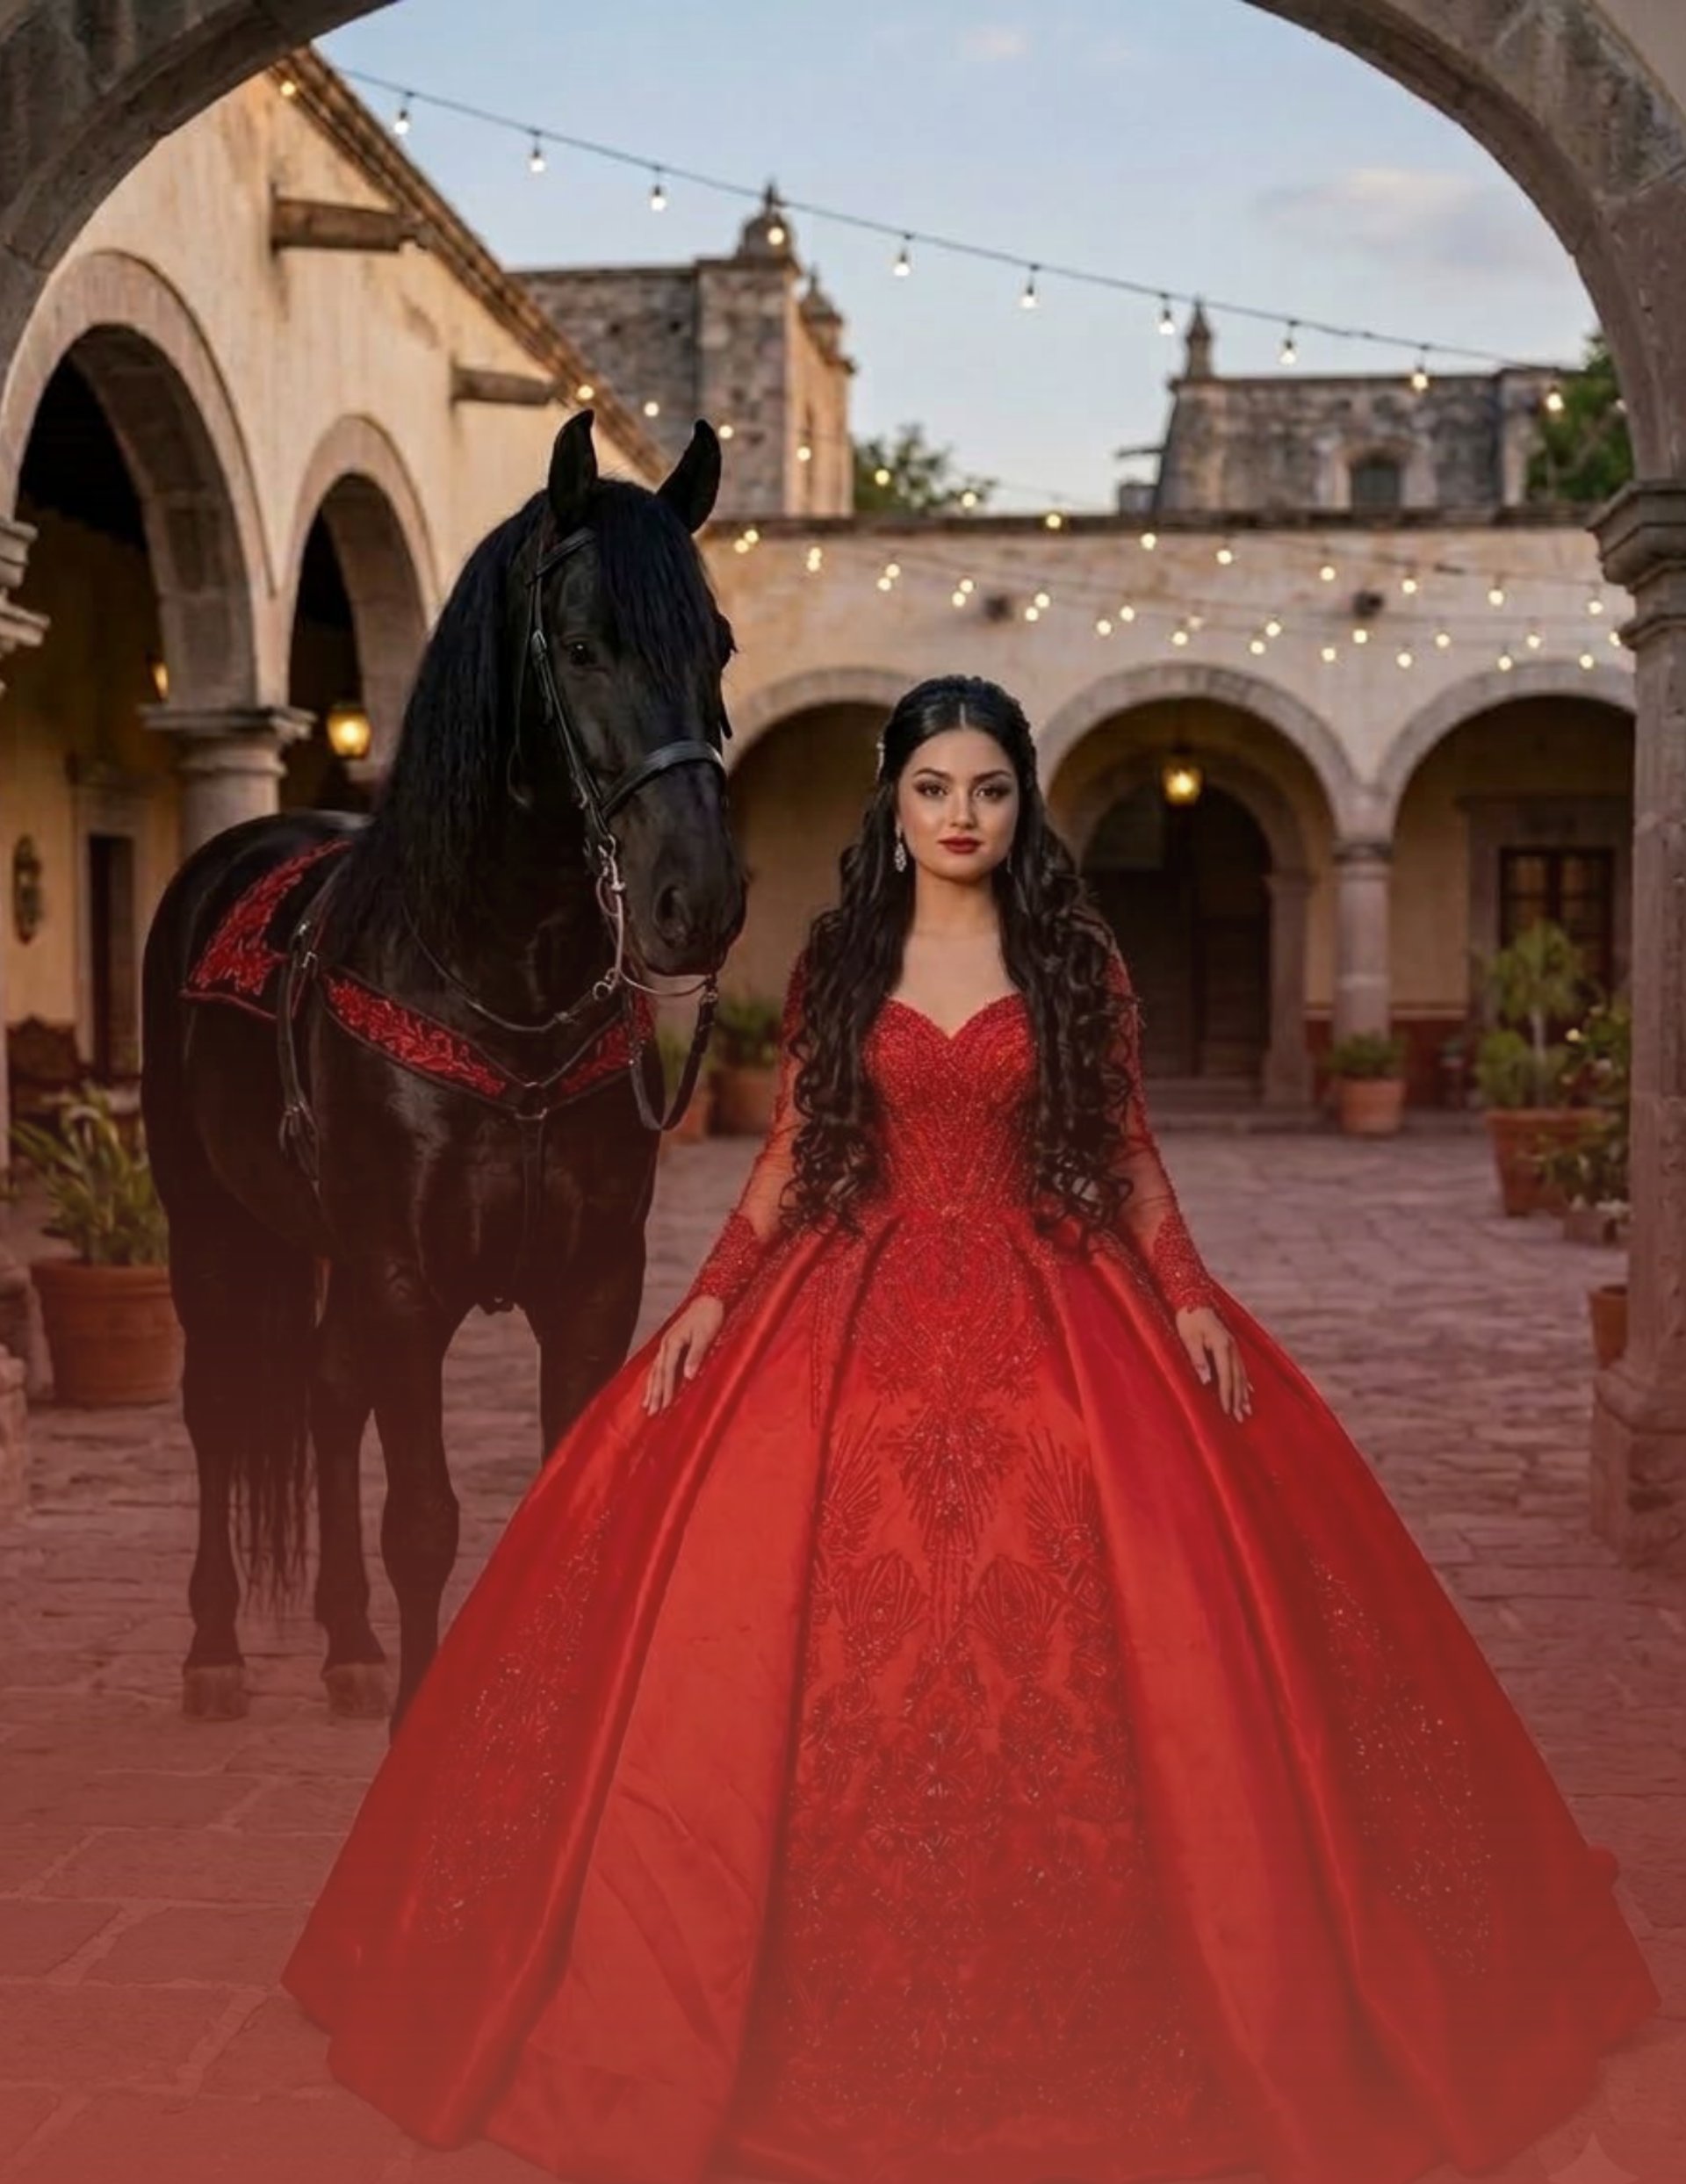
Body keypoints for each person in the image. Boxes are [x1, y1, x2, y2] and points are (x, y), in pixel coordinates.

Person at [282, 674, 1659, 2184]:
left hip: (1049, 1288)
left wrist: (1188, 1295)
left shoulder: (1069, 958)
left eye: (989, 790)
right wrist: (713, 1303)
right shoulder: (839, 959)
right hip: (844, 1297)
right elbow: (801, 1152)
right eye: (935, 787)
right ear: (893, 799)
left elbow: (1124, 1150)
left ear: (1021, 806)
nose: (961, 815)